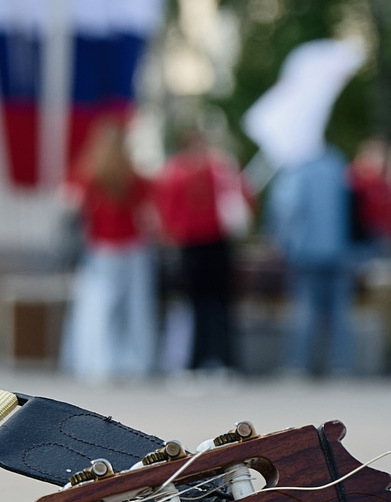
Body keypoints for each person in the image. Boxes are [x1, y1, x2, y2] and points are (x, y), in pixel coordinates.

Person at [61, 118, 158, 382]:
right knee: (135, 307)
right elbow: (148, 211)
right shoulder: (132, 175)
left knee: (97, 307)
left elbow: (71, 207)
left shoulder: (86, 173)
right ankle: (136, 362)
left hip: (101, 246)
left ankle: (95, 362)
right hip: (133, 246)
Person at [154, 124, 249, 375]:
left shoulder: (176, 172)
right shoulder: (219, 168)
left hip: (194, 245)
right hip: (214, 243)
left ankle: (197, 362)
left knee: (199, 306)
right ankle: (221, 360)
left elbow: (167, 211)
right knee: (217, 305)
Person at [264, 139, 358, 377]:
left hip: (305, 250)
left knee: (305, 311)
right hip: (339, 249)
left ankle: (298, 364)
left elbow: (288, 207)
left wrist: (279, 240)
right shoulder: (338, 163)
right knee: (338, 313)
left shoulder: (297, 168)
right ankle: (341, 365)